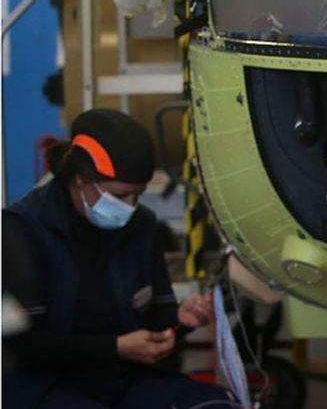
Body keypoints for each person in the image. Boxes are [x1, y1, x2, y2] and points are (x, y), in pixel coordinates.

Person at [2, 109, 234, 408]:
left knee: (214, 404)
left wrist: (180, 320)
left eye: (138, 195)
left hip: (126, 381)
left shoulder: (141, 225)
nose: (130, 206)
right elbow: (21, 347)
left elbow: (155, 321)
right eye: (120, 195)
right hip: (49, 385)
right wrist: (115, 348)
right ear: (80, 180)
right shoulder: (22, 230)